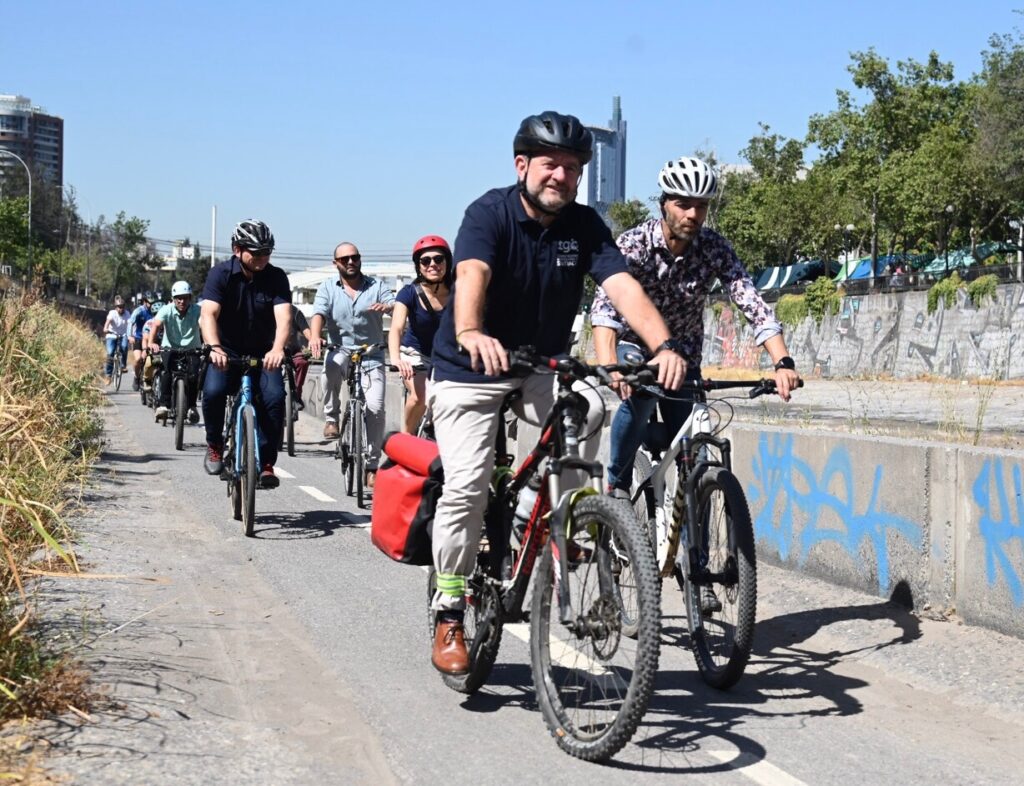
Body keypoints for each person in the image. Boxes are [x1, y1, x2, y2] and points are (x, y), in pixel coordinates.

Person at [426, 111, 686, 674]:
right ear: (522, 166)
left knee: (589, 406)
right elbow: (471, 276)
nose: (561, 177)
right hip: (469, 366)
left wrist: (663, 345)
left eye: (572, 168)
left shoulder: (585, 225)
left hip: (539, 365)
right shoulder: (487, 214)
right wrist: (471, 331)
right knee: (468, 486)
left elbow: (622, 288)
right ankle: (449, 609)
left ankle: (538, 519)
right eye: (550, 165)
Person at [591, 156, 801, 501]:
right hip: (632, 346)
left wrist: (782, 362)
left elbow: (750, 301)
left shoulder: (714, 248)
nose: (692, 214)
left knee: (696, 457)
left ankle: (695, 545)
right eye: (682, 204)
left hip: (684, 358)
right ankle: (617, 487)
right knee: (641, 389)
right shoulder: (635, 244)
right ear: (664, 205)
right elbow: (605, 309)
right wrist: (609, 365)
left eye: (700, 206)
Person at [199, 219, 291, 489]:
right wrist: (214, 347)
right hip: (225, 352)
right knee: (214, 392)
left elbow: (284, 318)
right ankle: (215, 444)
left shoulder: (276, 277)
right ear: (237, 249)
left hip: (265, 355)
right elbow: (208, 314)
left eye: (267, 252)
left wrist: (277, 349)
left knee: (274, 399)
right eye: (256, 252)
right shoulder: (220, 274)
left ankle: (265, 463)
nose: (263, 258)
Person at [308, 242, 395, 486]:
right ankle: (332, 418)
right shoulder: (327, 288)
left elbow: (395, 306)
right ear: (335, 263)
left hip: (371, 354)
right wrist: (315, 336)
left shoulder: (376, 286)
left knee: (376, 409)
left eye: (354, 257)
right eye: (344, 258)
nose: (350, 262)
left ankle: (372, 466)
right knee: (332, 367)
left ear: (360, 260)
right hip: (341, 349)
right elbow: (319, 315)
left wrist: (388, 307)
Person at [387, 234, 452, 433]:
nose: (432, 264)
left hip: (446, 356)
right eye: (425, 261)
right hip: (415, 354)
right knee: (419, 395)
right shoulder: (408, 293)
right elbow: (396, 328)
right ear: (419, 266)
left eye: (438, 259)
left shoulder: (458, 290)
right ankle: (406, 439)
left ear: (447, 262)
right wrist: (396, 358)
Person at [151, 281, 202, 424]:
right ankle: (164, 405)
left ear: (190, 298)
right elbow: (156, 325)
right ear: (173, 299)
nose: (182, 301)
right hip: (170, 347)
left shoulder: (197, 310)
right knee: (166, 371)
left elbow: (204, 323)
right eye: (178, 298)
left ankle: (192, 406)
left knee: (193, 376)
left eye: (185, 298)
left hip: (192, 348)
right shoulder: (166, 310)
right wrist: (152, 343)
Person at [286, 307, 313, 411]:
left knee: (302, 362)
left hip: (292, 351)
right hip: (272, 352)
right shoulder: (266, 310)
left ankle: (297, 394)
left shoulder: (295, 312)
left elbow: (306, 331)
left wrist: (313, 340)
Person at [127, 294, 154, 390]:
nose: (151, 305)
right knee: (138, 359)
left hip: (151, 339)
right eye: (149, 303)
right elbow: (130, 322)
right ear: (145, 302)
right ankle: (137, 377)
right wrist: (129, 336)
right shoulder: (139, 311)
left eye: (153, 303)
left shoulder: (155, 312)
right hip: (138, 338)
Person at [102, 295, 130, 385]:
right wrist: (105, 329)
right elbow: (107, 322)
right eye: (119, 307)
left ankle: (123, 365)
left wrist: (131, 334)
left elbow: (130, 324)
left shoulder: (127, 314)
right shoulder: (112, 313)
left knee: (124, 346)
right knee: (110, 353)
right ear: (116, 307)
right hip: (111, 334)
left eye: (122, 307)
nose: (121, 309)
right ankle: (108, 375)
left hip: (123, 334)